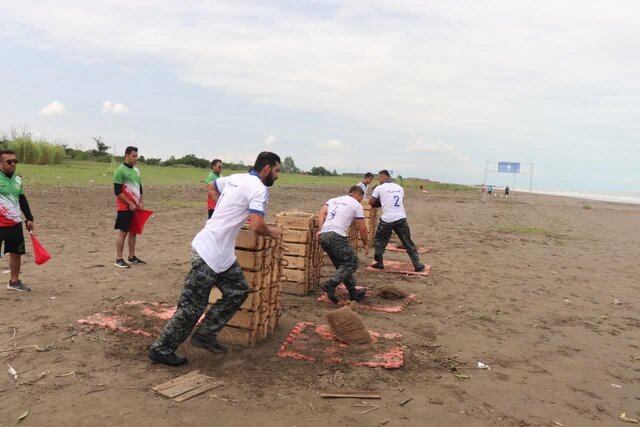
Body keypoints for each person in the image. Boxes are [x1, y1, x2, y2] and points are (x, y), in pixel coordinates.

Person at [148, 152, 282, 366]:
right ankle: (161, 348)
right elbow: (257, 225)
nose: (277, 176)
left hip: (223, 255)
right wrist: (273, 232)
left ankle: (206, 334)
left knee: (238, 290)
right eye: (276, 171)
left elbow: (211, 186)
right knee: (193, 306)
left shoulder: (235, 178)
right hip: (208, 251)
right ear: (266, 169)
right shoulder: (259, 188)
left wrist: (223, 207)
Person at [316, 186, 368, 304]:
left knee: (342, 265)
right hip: (337, 235)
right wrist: (365, 243)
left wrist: (321, 230)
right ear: (359, 195)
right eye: (361, 198)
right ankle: (330, 285)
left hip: (324, 235)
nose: (360, 200)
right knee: (352, 263)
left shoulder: (332, 200)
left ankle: (353, 293)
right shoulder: (356, 204)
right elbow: (363, 228)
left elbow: (321, 213)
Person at [369, 170, 425, 272]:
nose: (379, 180)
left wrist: (379, 199)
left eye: (379, 178)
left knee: (380, 241)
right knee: (407, 242)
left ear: (383, 177)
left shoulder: (379, 188)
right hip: (401, 217)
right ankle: (417, 264)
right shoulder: (399, 187)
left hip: (387, 219)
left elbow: (371, 202)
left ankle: (379, 263)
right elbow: (401, 202)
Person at [0, 150, 35, 292]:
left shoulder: (18, 179)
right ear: (1, 163)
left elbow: (22, 199)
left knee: (16, 253)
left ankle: (14, 282)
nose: (13, 164)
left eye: (15, 161)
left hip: (14, 223)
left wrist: (29, 218)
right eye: (9, 161)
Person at [113, 146, 145, 268]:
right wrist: (130, 203)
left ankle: (131, 257)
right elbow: (117, 191)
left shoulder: (137, 171)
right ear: (127, 155)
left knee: (133, 232)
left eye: (137, 156)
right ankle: (118, 259)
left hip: (136, 208)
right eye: (133, 156)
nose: (136, 158)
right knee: (123, 232)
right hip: (124, 208)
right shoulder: (120, 170)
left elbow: (139, 188)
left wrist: (140, 202)